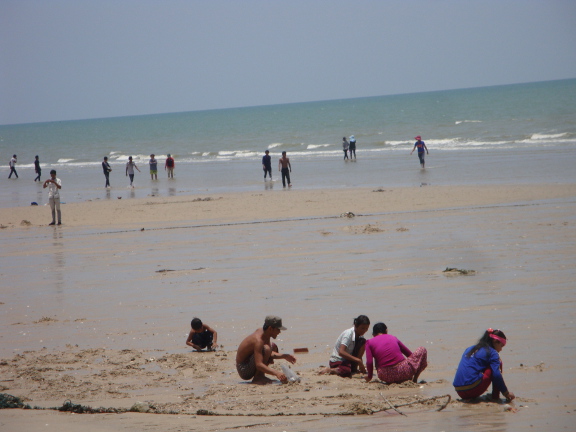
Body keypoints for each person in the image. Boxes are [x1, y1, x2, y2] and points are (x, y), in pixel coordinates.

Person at [453, 328, 516, 402]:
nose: (501, 349)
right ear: (495, 341)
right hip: (472, 389)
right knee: (498, 363)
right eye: (501, 346)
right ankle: (495, 397)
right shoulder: (492, 353)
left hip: (459, 390)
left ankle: (469, 397)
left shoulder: (470, 348)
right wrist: (506, 393)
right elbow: (496, 375)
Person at [236, 315, 296, 384]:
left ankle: (260, 376)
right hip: (244, 369)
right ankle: (258, 378)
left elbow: (269, 353)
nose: (279, 332)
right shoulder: (259, 340)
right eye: (278, 329)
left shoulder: (264, 332)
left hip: (250, 362)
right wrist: (276, 373)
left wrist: (285, 356)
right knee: (267, 348)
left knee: (272, 346)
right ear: (270, 328)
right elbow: (259, 364)